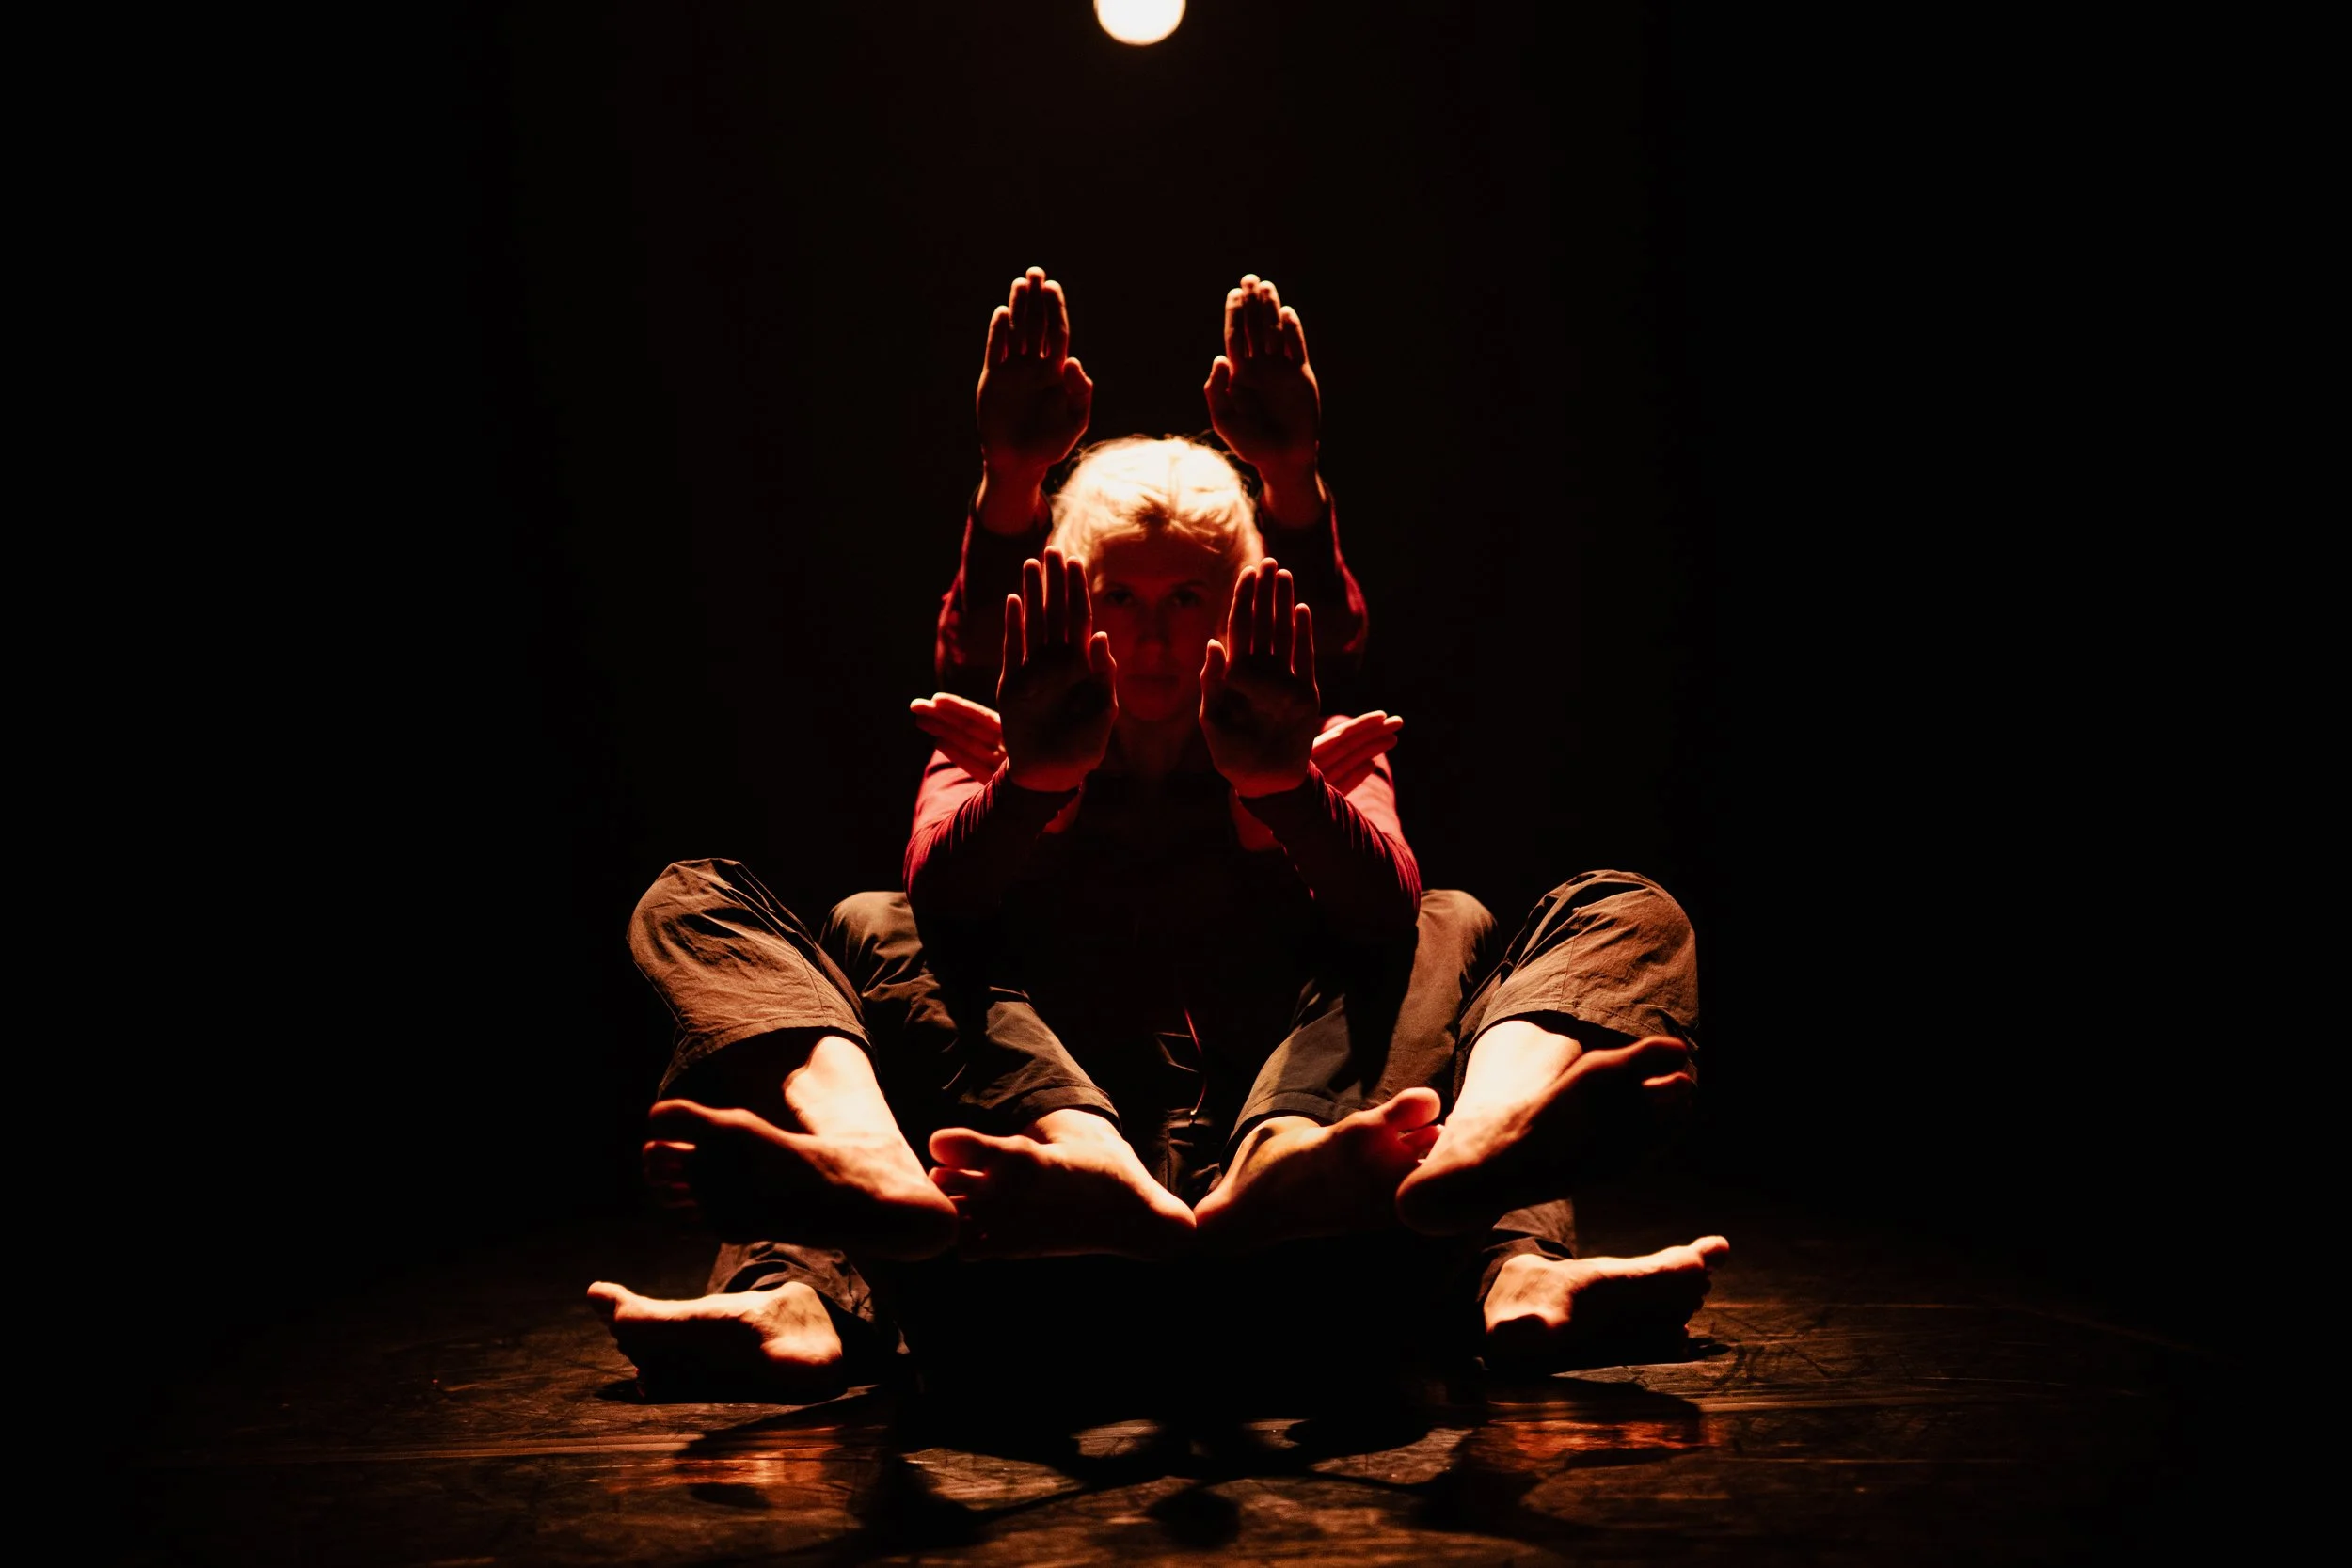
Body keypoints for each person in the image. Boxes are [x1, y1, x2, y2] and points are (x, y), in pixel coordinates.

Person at [588, 269, 1725, 1402]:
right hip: (1034, 1202)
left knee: (1532, 912)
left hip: (1302, 1203)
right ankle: (816, 1260)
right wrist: (1035, 781)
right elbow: (944, 903)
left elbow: (1384, 915)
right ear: (1068, 601)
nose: (1152, 637)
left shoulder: (1311, 741)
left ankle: (1503, 1226)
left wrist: (1281, 790)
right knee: (766, 906)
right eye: (1120, 598)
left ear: (1237, 603)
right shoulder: (998, 737)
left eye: (1186, 598)